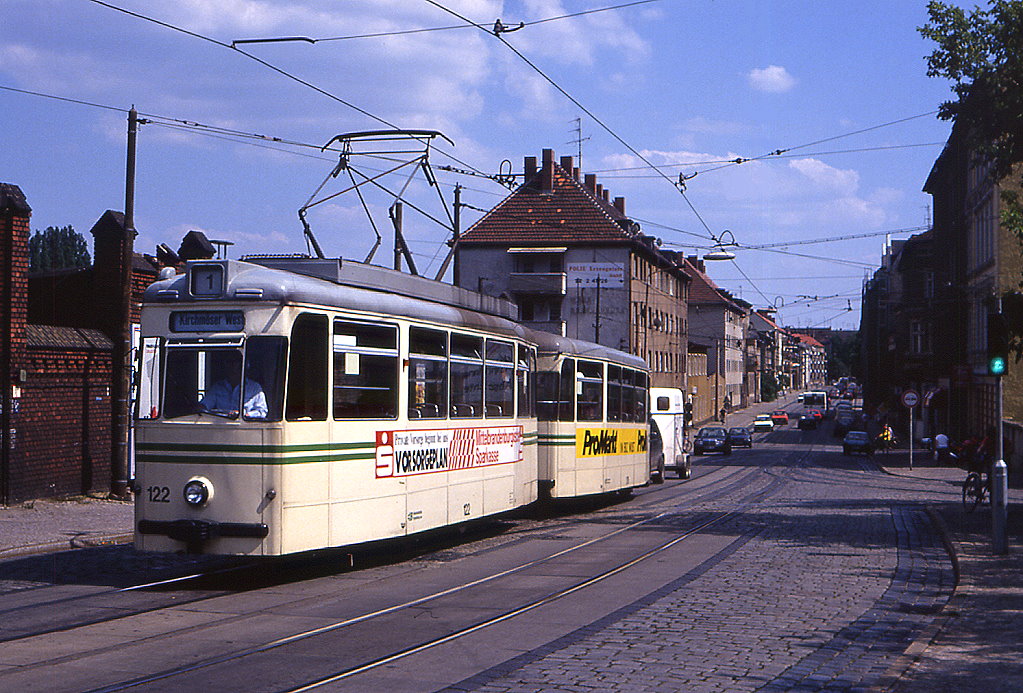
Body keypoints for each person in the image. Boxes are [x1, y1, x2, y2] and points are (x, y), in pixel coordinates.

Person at [200, 366, 267, 419]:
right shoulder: (217, 387)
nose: (233, 369)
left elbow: (262, 411)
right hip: (220, 425)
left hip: (245, 427)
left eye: (237, 368)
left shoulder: (255, 388)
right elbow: (205, 405)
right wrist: (200, 408)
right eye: (230, 365)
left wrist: (245, 415)